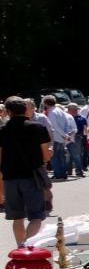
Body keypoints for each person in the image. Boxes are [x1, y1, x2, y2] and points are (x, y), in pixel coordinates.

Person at [0, 96, 52, 247]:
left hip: (10, 178)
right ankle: (27, 247)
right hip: (32, 177)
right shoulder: (38, 128)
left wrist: (0, 188)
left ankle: (19, 248)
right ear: (25, 109)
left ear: (8, 112)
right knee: (36, 216)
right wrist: (48, 153)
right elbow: (46, 156)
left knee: (17, 218)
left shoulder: (2, 131)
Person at [43, 95, 74, 180]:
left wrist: (65, 135)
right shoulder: (60, 110)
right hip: (61, 137)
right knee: (61, 156)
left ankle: (58, 174)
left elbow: (55, 126)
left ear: (46, 103)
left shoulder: (52, 112)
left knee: (55, 157)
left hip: (56, 137)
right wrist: (66, 134)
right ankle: (63, 174)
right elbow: (66, 123)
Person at [66, 103, 88, 177]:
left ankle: (78, 171)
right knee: (69, 154)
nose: (75, 111)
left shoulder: (82, 118)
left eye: (76, 110)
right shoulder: (65, 117)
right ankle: (68, 170)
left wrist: (86, 137)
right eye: (74, 109)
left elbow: (85, 128)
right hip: (68, 136)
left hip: (78, 137)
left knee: (78, 154)